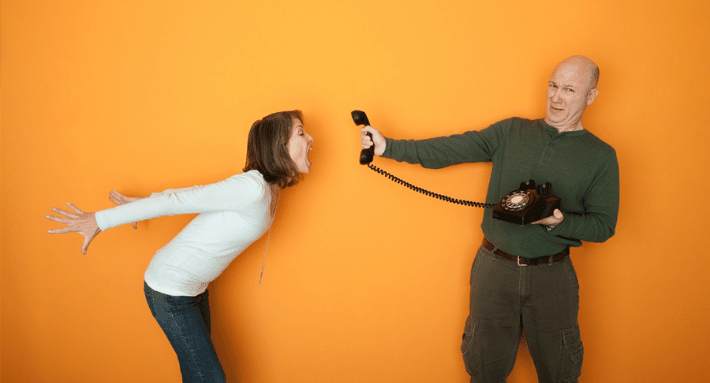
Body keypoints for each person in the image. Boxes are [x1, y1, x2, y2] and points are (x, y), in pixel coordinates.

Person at [359, 56, 619, 383]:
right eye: (553, 85)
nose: (556, 97)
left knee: (561, 373)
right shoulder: (511, 131)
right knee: (483, 371)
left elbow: (603, 225)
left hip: (553, 277)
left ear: (590, 96)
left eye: (569, 89)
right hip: (494, 269)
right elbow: (454, 148)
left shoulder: (601, 155)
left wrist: (558, 222)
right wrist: (388, 147)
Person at [46, 110, 314, 383]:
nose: (311, 138)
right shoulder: (251, 188)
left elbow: (191, 195)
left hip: (195, 289)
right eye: (301, 133)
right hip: (169, 289)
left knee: (196, 376)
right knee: (210, 378)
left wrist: (144, 203)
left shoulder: (270, 188)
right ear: (277, 145)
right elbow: (182, 200)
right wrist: (99, 220)